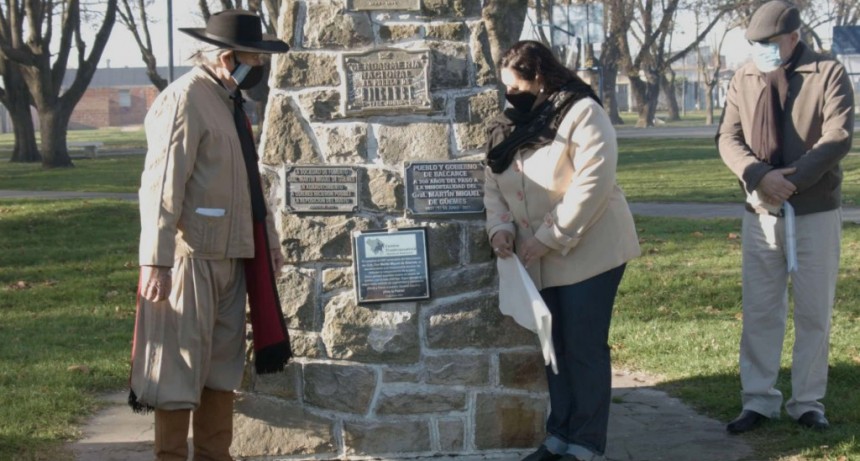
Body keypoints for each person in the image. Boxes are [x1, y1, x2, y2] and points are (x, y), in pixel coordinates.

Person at [129, 10, 293, 460]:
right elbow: (162, 186)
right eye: (254, 58)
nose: (259, 67)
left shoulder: (228, 102)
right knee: (177, 369)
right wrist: (156, 260)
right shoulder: (184, 99)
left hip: (231, 256)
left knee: (222, 370)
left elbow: (250, 185)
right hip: (191, 257)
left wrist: (269, 242)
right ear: (226, 57)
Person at [484, 40, 640, 461]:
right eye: (505, 87)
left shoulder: (583, 112)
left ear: (539, 77)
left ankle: (586, 442)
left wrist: (549, 237)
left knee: (582, 347)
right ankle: (559, 435)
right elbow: (493, 182)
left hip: (590, 250)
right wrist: (500, 229)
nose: (510, 95)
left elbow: (593, 184)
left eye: (516, 86)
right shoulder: (507, 124)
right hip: (538, 257)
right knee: (554, 348)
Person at [717, 0, 854, 434]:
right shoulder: (744, 76)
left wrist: (790, 181)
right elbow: (728, 137)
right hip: (760, 211)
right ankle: (758, 399)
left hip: (814, 211)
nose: (760, 50)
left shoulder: (827, 72)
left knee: (814, 311)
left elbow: (838, 135)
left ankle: (807, 402)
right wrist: (759, 176)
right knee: (761, 310)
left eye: (770, 42)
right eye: (754, 43)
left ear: (793, 37)